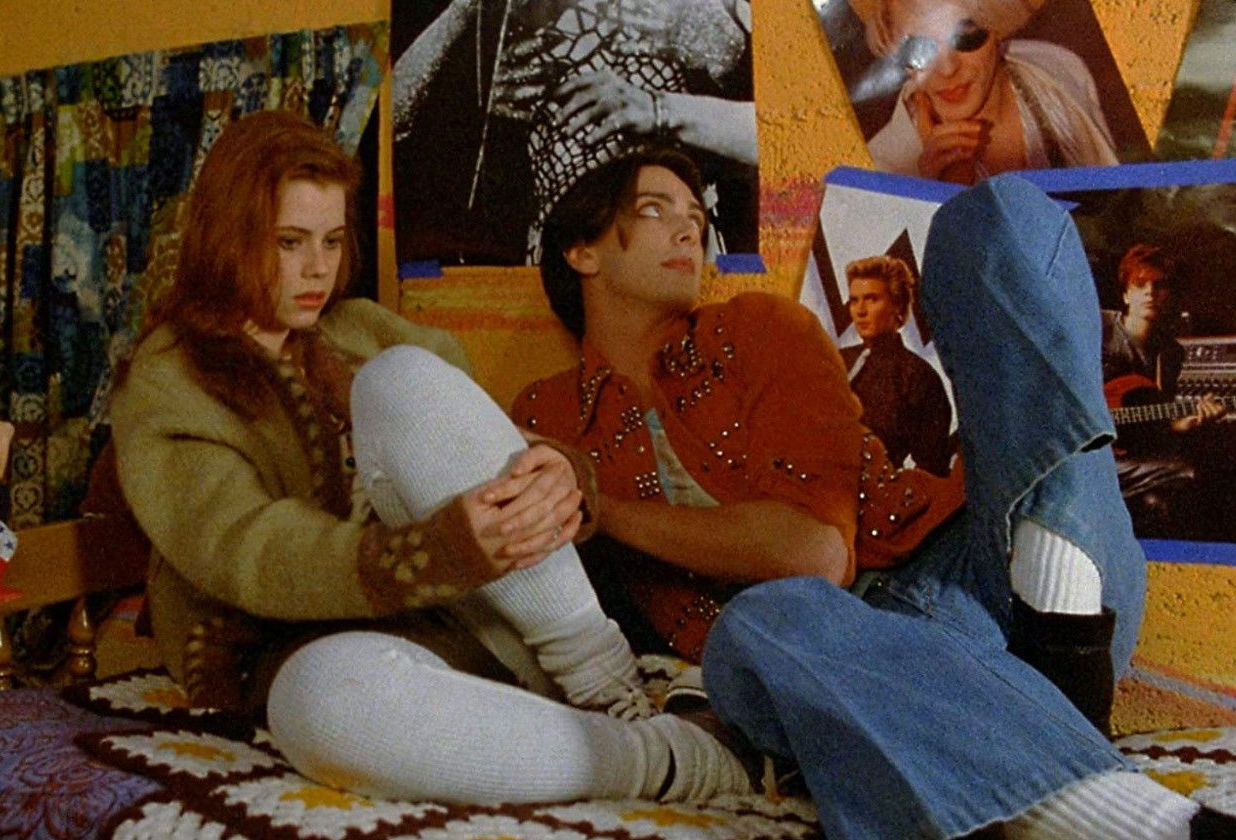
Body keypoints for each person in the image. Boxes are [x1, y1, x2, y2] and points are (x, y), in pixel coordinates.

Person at [513, 148, 1231, 839]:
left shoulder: (759, 327)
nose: (687, 230)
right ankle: (1136, 803)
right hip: (854, 662)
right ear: (581, 251)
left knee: (998, 215)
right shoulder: (541, 419)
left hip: (989, 568)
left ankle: (1055, 653)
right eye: (654, 209)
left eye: (696, 219)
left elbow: (814, 552)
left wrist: (602, 511)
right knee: (761, 623)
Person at [108, 109, 752, 808]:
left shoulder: (362, 330)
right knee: (324, 707)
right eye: (289, 242)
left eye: (331, 240)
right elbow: (245, 548)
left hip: (484, 623)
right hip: (303, 650)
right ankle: (662, 758)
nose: (318, 267)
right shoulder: (171, 377)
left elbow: (472, 441)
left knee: (402, 378)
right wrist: (432, 552)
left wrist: (564, 472)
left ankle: (606, 681)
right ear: (228, 236)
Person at [392, 0, 757, 263]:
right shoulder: (503, 19)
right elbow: (391, 123)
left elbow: (768, 135)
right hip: (558, 262)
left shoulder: (679, 12)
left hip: (664, 246)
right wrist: (465, 9)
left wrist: (657, 108)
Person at [852, 0, 1118, 184]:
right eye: (919, 49)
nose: (946, 69)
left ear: (996, 26)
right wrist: (940, 200)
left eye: (965, 36)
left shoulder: (1062, 71)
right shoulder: (881, 171)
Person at [1101, 243, 1226, 536]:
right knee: (1183, 472)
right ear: (1125, 295)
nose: (1150, 293)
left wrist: (1182, 424)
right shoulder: (1098, 327)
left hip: (1123, 454)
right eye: (1140, 284)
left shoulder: (1170, 354)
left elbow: (1153, 422)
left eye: (1159, 286)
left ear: (1171, 297)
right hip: (1079, 448)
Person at [840, 254, 954, 476]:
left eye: (872, 299)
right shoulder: (836, 359)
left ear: (897, 305)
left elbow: (932, 470)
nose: (860, 311)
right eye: (854, 300)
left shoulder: (918, 377)